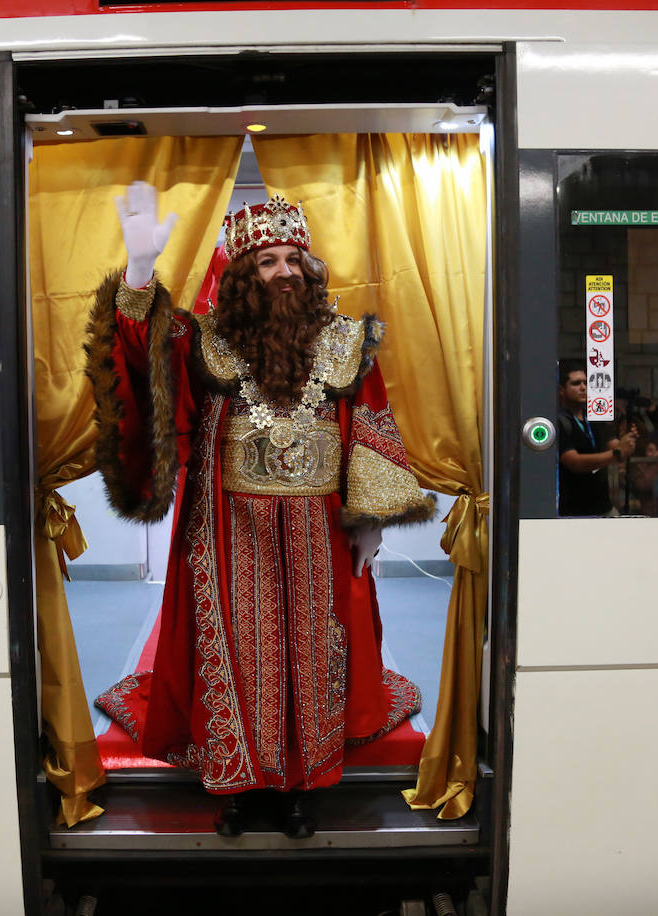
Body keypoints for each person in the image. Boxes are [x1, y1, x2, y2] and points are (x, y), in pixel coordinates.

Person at [86, 184, 434, 838]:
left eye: (292, 259)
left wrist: (372, 521)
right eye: (268, 261)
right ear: (244, 274)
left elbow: (371, 422)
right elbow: (136, 357)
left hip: (321, 527)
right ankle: (241, 785)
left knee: (311, 654)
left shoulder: (343, 340)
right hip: (226, 525)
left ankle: (302, 783)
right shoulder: (206, 340)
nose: (283, 272)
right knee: (240, 656)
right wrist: (137, 274)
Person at [557, 362, 636, 516]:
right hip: (573, 509)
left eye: (586, 383)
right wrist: (617, 453)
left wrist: (628, 440)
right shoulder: (560, 421)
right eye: (576, 383)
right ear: (561, 390)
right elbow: (574, 462)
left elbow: (616, 447)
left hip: (603, 506)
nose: (583, 387)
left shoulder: (593, 419)